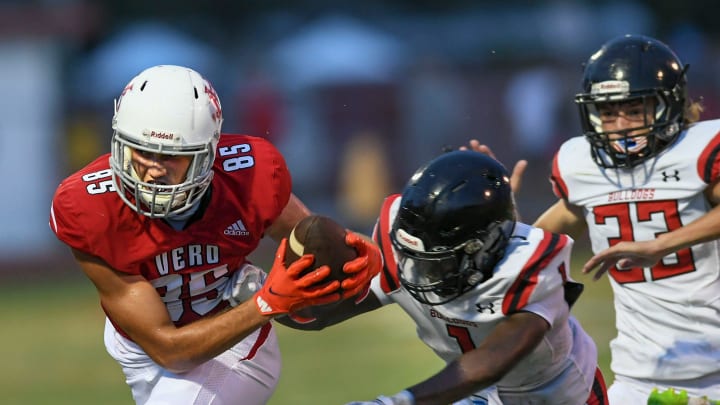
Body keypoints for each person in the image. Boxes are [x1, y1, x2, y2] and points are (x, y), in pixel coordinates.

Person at [48, 65, 380, 404]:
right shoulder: (88, 207)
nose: (152, 169)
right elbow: (167, 348)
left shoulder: (247, 180)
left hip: (234, 340)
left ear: (208, 155)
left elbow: (314, 239)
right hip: (146, 351)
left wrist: (362, 253)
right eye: (142, 150)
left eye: (171, 156)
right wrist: (269, 301)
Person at [469, 34, 720, 404]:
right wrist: (500, 209)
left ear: (668, 105)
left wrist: (662, 244)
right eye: (607, 110)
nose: (619, 124)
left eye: (634, 109)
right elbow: (533, 247)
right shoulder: (583, 167)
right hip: (639, 376)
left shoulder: (694, 152)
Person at [277, 151, 608, 405]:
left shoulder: (529, 266)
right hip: (481, 395)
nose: (420, 273)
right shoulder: (406, 246)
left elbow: (489, 363)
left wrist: (397, 402)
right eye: (415, 259)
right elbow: (316, 316)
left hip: (558, 397)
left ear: (488, 245)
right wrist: (273, 297)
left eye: (439, 262)